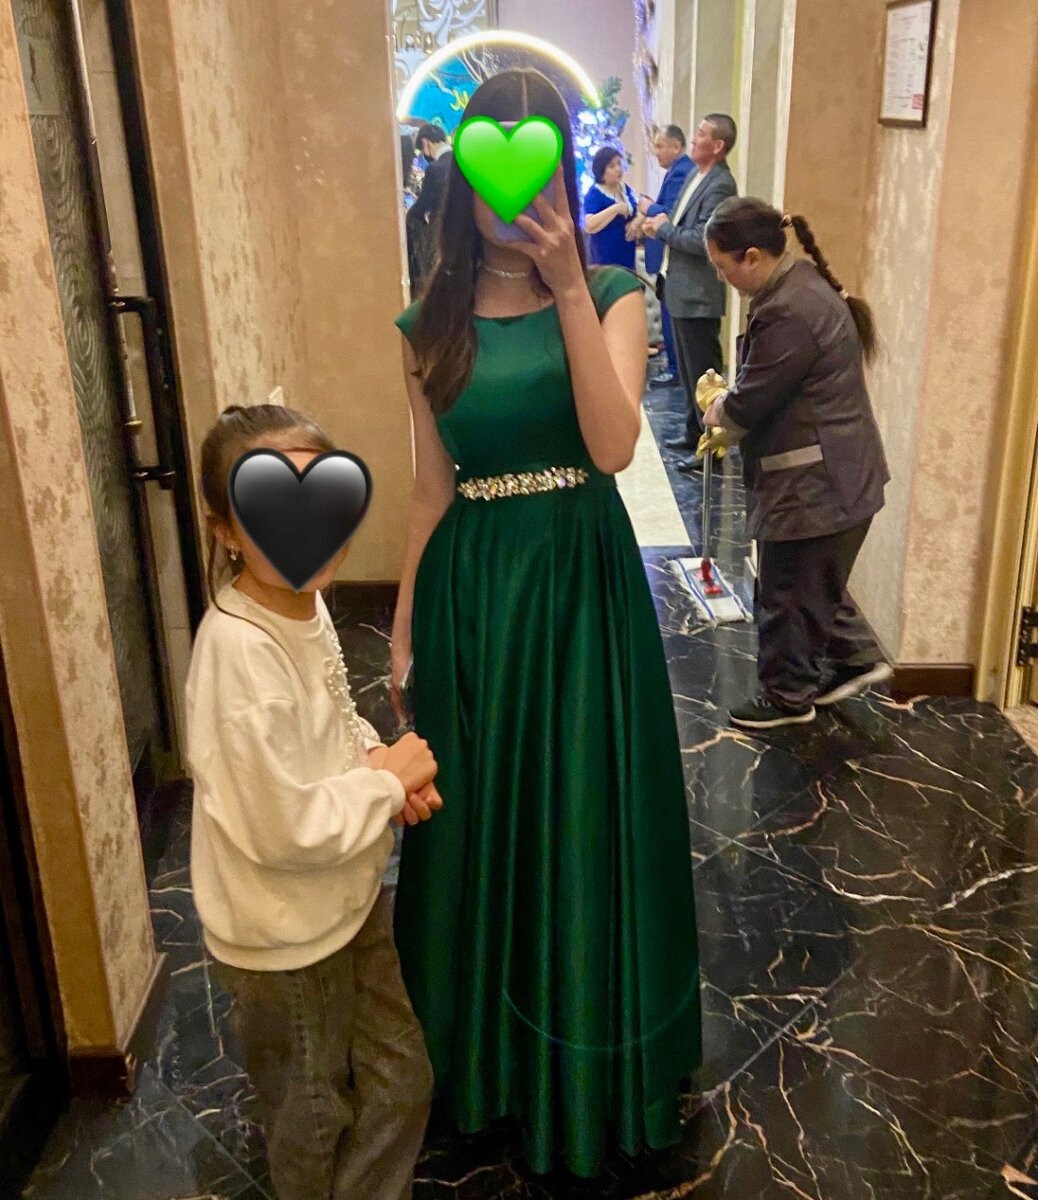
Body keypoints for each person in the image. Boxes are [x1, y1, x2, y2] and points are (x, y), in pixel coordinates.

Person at [390, 69, 701, 1179]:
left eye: (527, 175)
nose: (506, 200)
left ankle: (584, 1072)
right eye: (487, 176)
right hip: (474, 592)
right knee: (474, 824)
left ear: (561, 176)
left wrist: (570, 284)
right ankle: (482, 1071)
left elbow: (612, 447)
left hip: (578, 586)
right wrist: (404, 628)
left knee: (577, 808)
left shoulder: (614, 292)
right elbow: (431, 489)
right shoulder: (426, 321)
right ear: (460, 182)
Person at [186, 403, 441, 1200]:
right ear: (227, 530)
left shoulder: (303, 602)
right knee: (311, 1115)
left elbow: (328, 718)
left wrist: (373, 758)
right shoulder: (239, 656)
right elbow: (281, 825)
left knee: (401, 1076)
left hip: (345, 900)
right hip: (285, 940)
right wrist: (384, 786)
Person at [699, 197, 892, 731]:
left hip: (816, 484)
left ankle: (787, 698)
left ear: (753, 256)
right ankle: (855, 658)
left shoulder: (790, 310)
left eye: (722, 265)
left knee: (787, 590)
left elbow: (752, 402)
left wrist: (718, 408)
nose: (722, 277)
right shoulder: (798, 286)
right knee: (812, 582)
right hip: (839, 476)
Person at [644, 114, 738, 470]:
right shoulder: (695, 176)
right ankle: (691, 431)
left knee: (704, 374)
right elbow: (676, 221)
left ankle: (711, 450)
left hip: (698, 294)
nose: (694, 140)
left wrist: (663, 229)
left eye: (701, 135)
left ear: (718, 146)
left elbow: (702, 239)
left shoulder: (721, 185)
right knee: (687, 372)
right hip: (679, 287)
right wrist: (659, 225)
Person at [638, 124, 693, 386]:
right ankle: (675, 366)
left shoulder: (681, 172)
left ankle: (675, 369)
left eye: (660, 146)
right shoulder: (675, 170)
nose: (656, 151)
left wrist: (649, 208)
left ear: (676, 147)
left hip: (674, 256)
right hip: (668, 257)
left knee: (671, 315)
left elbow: (671, 214)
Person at [407, 122, 453, 288]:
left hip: (443, 232)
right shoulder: (462, 160)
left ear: (426, 142)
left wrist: (407, 214)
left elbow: (422, 208)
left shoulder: (435, 169)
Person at [582, 145, 643, 269]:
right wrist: (616, 209)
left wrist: (636, 222)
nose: (618, 169)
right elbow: (589, 225)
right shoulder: (595, 194)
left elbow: (639, 211)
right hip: (605, 260)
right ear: (601, 171)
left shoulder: (625, 189)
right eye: (612, 166)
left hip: (627, 255)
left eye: (619, 164)